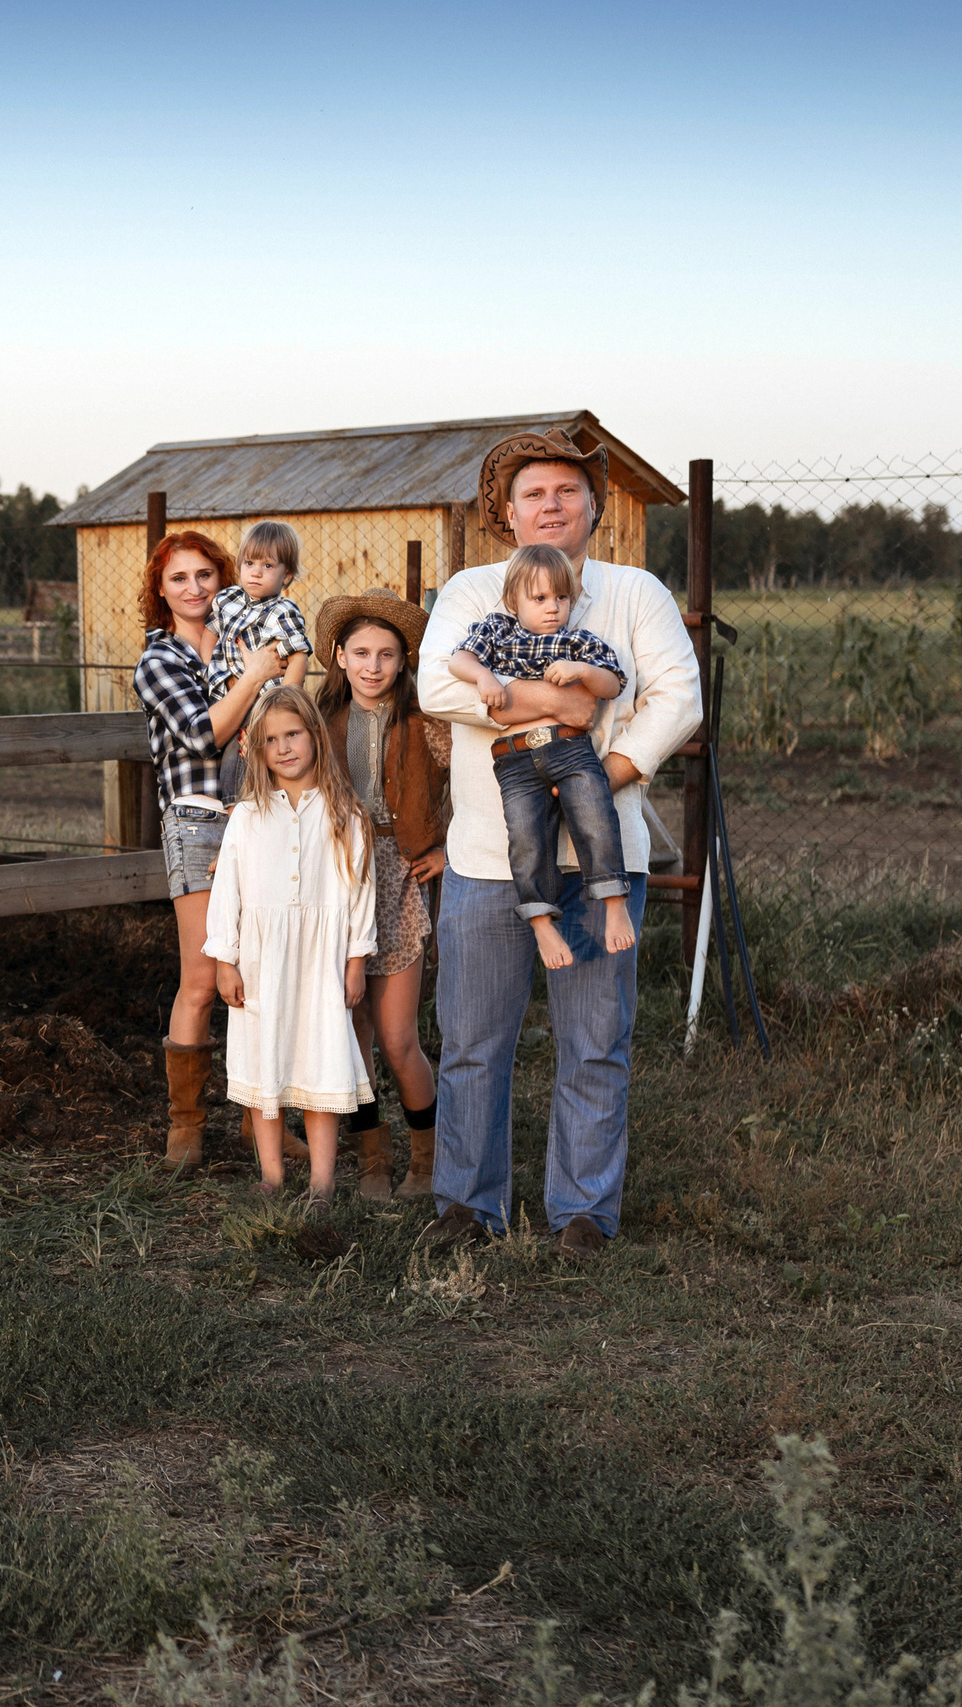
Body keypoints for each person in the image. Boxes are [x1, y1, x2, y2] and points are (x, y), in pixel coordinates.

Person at [417, 429, 701, 1260]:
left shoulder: (635, 592)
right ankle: (468, 1205)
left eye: (567, 491)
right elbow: (435, 684)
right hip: (487, 854)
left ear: (593, 507)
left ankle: (583, 1213)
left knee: (595, 1044)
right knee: (473, 1042)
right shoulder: (472, 590)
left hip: (602, 854)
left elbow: (678, 698)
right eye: (533, 493)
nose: (551, 505)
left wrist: (599, 774)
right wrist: (563, 706)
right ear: (507, 514)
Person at [136, 531, 281, 1171]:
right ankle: (186, 1128)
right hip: (197, 821)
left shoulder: (241, 639)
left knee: (262, 974)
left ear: (223, 580)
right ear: (161, 591)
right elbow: (201, 735)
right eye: (179, 578)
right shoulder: (157, 662)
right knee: (201, 979)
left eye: (205, 575)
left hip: (263, 817)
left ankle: (259, 1123)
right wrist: (254, 677)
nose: (194, 588)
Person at [205, 687, 377, 1209]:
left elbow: (361, 892)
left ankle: (323, 1184)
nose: (283, 748)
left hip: (321, 965)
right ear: (257, 750)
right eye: (270, 740)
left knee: (321, 1067)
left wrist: (356, 960)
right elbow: (227, 891)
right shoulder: (247, 816)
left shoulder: (346, 813)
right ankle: (272, 1176)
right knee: (267, 1069)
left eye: (293, 734)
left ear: (315, 737)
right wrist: (225, 960)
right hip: (262, 965)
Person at [313, 589, 449, 1199]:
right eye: (361, 653)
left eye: (387, 655)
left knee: (397, 1037)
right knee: (353, 1032)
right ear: (340, 657)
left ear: (403, 661)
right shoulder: (321, 721)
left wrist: (448, 847)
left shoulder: (428, 722)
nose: (373, 666)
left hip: (399, 876)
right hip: (338, 878)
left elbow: (484, 783)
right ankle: (373, 1158)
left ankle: (428, 1159)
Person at [447, 544, 633, 969]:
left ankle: (614, 902)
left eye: (561, 597)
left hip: (569, 750)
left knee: (595, 813)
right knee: (526, 837)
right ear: (514, 601)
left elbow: (612, 684)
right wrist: (484, 676)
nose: (553, 607)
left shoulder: (577, 641)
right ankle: (541, 922)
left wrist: (583, 671)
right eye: (540, 598)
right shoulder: (496, 631)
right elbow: (458, 660)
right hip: (514, 762)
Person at [210, 521, 315, 700]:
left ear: (286, 576)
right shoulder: (227, 598)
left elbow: (298, 658)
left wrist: (285, 702)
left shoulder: (284, 611)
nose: (256, 573)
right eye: (249, 563)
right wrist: (209, 669)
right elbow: (210, 632)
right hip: (226, 694)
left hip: (266, 699)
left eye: (267, 565)